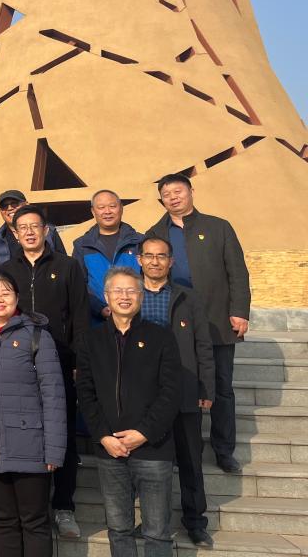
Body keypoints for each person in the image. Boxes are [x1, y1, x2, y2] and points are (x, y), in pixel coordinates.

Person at [145, 172, 251, 474]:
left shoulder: (218, 227)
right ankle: (182, 449)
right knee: (175, 386)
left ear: (191, 191)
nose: (173, 197)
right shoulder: (155, 233)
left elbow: (237, 272)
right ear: (161, 200)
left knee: (221, 387)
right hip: (174, 323)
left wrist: (239, 310)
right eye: (167, 194)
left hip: (216, 319)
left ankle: (224, 449)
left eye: (178, 191)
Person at [76, 267, 182, 557]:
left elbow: (171, 392)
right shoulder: (91, 340)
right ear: (106, 296)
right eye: (117, 290)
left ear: (141, 296)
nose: (124, 296)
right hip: (110, 450)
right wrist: (103, 436)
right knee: (118, 528)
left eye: (131, 290)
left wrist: (144, 432)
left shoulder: (161, 338)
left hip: (153, 449)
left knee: (157, 531)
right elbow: (85, 392)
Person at [1, 205, 87, 538]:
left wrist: (79, 362)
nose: (29, 232)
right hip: (18, 366)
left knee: (62, 432)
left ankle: (64, 506)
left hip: (61, 363)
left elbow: (80, 316)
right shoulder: (7, 270)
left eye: (34, 226)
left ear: (46, 230)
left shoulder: (68, 266)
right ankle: (30, 507)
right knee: (25, 434)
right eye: (22, 227)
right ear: (14, 233)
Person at [0, 272, 66, 557]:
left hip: (31, 448)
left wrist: (54, 450)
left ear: (17, 297)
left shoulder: (37, 336)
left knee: (34, 522)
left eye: (5, 293)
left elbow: (53, 395)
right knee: (4, 522)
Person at [138, 237, 216, 547]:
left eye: (161, 256)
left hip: (184, 392)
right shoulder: (131, 296)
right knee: (149, 465)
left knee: (190, 460)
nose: (155, 261)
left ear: (171, 262)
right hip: (145, 395)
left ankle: (195, 521)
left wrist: (206, 386)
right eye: (149, 256)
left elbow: (203, 346)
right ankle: (152, 520)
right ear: (140, 260)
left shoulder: (188, 298)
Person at [72, 190, 143, 326]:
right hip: (98, 323)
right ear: (93, 211)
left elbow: (149, 280)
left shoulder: (138, 242)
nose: (107, 211)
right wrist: (99, 308)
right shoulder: (82, 246)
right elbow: (78, 286)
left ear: (121, 208)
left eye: (112, 206)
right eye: (101, 207)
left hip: (137, 319)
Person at [0, 190, 66, 266]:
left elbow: (63, 262)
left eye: (14, 204)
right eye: (4, 206)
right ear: (0, 211)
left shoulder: (49, 232)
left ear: (26, 204)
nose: (9, 208)